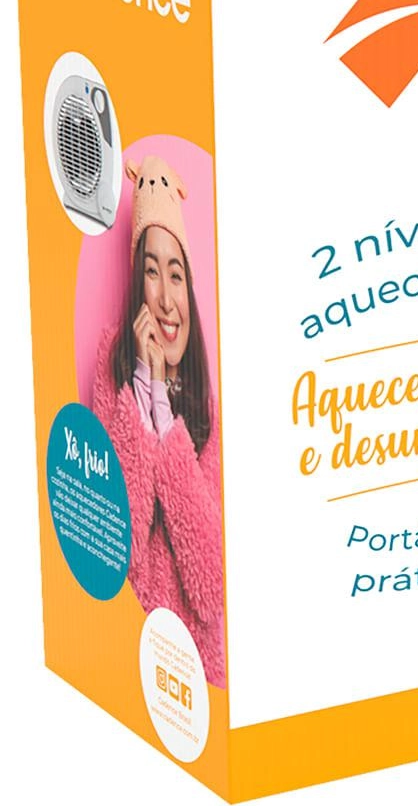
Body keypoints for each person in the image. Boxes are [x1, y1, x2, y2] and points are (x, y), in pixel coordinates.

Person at [92, 154, 225, 688]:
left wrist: (166, 418)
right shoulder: (113, 376)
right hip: (131, 663)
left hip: (201, 680)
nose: (167, 300)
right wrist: (143, 391)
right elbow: (116, 551)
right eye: (152, 271)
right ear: (136, 285)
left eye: (176, 274)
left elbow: (210, 584)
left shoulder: (208, 412)